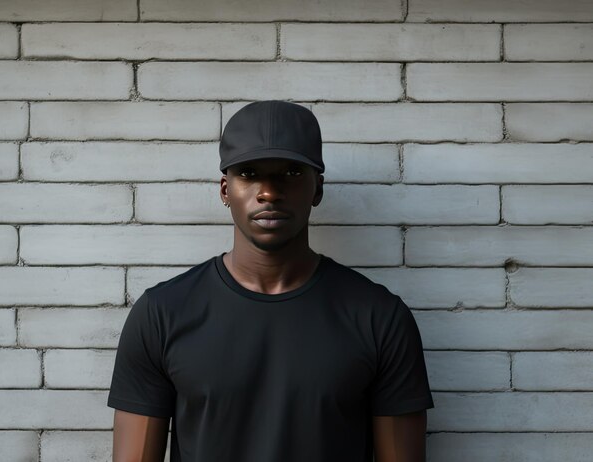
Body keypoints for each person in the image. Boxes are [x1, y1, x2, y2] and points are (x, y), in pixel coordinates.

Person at [107, 100, 434, 462]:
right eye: (248, 173)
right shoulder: (162, 315)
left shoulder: (380, 318)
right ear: (224, 190)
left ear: (318, 189)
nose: (269, 192)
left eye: (291, 172)